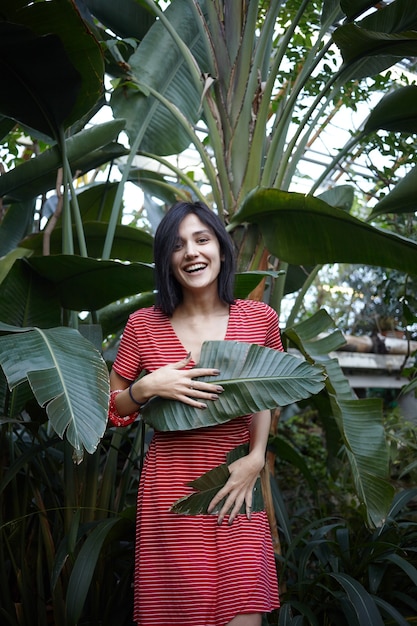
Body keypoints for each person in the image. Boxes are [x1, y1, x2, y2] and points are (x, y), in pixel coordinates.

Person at [108, 201, 283, 626]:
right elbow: (112, 406)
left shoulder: (258, 318)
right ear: (166, 261)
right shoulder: (143, 325)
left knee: (243, 607)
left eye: (202, 240)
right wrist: (145, 387)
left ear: (221, 249)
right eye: (177, 245)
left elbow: (269, 392)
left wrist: (256, 456)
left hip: (235, 479)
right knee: (175, 609)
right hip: (171, 488)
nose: (191, 252)